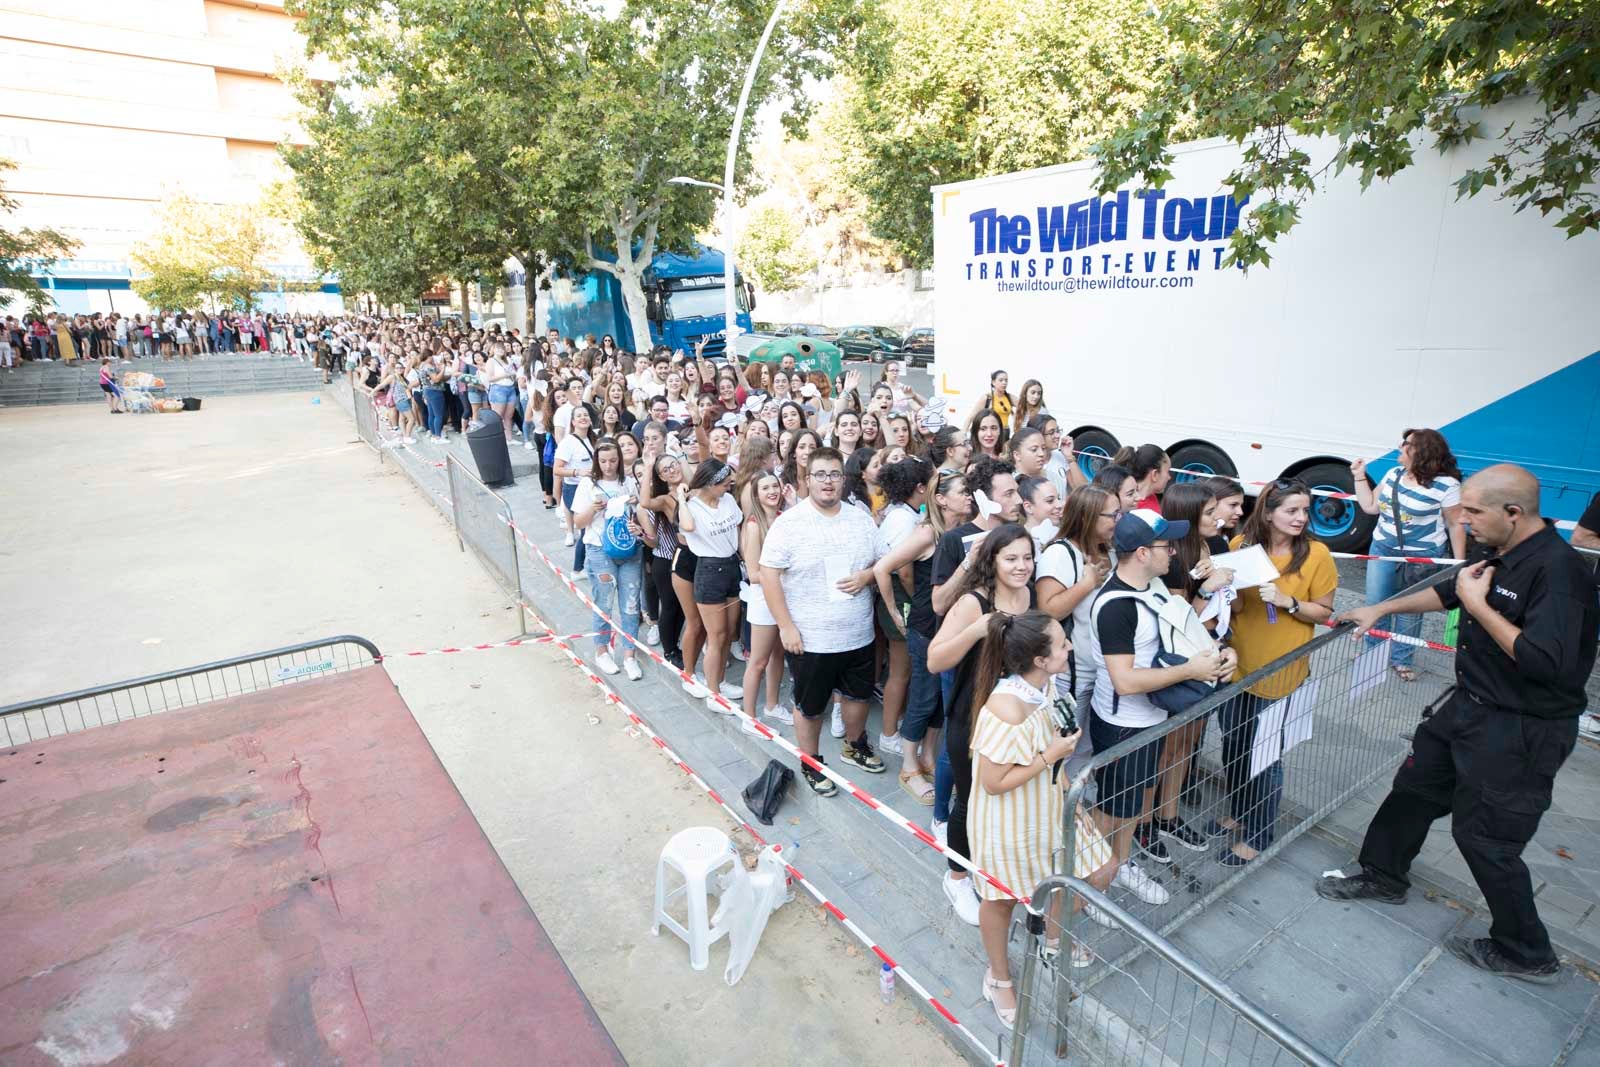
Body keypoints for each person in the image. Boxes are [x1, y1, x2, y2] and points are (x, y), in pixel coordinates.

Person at [1319, 464, 1598, 984]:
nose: (1463, 520)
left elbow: (1545, 662)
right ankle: (1382, 876)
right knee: (1412, 792)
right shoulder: (1498, 547)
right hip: (1466, 706)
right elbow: (1451, 589)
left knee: (1486, 839)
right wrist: (1381, 609)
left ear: (1513, 512)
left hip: (1521, 729)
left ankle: (1526, 952)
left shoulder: (1560, 573)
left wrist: (1478, 606)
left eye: (1473, 511)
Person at [1088, 510, 1234, 907]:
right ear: (1141, 553)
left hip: (1150, 719)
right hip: (1123, 726)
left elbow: (1182, 631)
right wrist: (1191, 670)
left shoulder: (1153, 585)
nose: (1173, 552)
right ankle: (1090, 887)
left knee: (1132, 806)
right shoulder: (1115, 606)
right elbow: (1124, 680)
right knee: (1111, 811)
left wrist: (1220, 653)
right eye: (1165, 545)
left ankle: (1119, 863)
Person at [969, 613, 1102, 1020]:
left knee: (1092, 871)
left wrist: (1071, 797)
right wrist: (1050, 756)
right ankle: (998, 978)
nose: (1070, 647)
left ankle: (1053, 940)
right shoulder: (1006, 708)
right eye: (1062, 644)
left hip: (1047, 806)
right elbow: (993, 782)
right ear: (1040, 660)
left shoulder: (1047, 685)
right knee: (1002, 900)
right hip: (1007, 822)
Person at [1214, 480, 1336, 866]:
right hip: (1237, 670)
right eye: (1292, 510)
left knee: (1266, 758)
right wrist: (1227, 590)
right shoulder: (1240, 547)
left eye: (1305, 510)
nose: (1301, 518)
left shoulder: (1317, 554)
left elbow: (1324, 612)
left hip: (1282, 674)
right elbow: (1233, 609)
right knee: (1234, 747)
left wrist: (1289, 602)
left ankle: (1259, 833)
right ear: (1268, 513)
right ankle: (1240, 811)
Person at [928, 523, 1036, 927]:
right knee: (970, 801)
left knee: (1004, 800)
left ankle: (994, 868)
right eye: (1011, 558)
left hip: (1017, 718)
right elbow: (935, 660)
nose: (1021, 566)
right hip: (973, 719)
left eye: (1027, 557)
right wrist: (975, 631)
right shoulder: (973, 602)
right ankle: (956, 877)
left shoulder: (1029, 594)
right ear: (992, 561)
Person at [760, 446, 886, 795]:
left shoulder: (861, 519)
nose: (827, 481)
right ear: (807, 478)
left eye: (834, 474)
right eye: (820, 475)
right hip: (811, 638)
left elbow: (882, 561)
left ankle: (855, 746)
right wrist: (786, 626)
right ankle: (811, 762)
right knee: (810, 707)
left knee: (858, 697)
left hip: (858, 633)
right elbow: (769, 575)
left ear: (844, 479)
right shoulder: (789, 524)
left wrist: (867, 577)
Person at [876, 466, 970, 809]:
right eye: (963, 491)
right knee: (923, 698)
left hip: (951, 629)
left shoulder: (962, 531)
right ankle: (909, 766)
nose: (969, 497)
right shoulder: (927, 533)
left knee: (942, 701)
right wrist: (895, 613)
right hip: (926, 629)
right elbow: (883, 568)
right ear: (942, 499)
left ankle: (928, 756)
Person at [1352, 428, 1466, 681]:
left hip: (1422, 557)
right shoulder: (1394, 473)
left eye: (1406, 443)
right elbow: (1370, 506)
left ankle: (1401, 659)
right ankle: (1374, 657)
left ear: (1420, 452)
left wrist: (1458, 565)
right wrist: (1359, 477)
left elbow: (1455, 524)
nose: (1400, 446)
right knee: (1376, 604)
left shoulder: (1447, 485)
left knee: (1410, 610)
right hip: (1383, 549)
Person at [1036, 484, 1119, 710]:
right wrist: (1087, 584)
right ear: (1086, 517)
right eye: (1112, 515)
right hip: (1074, 675)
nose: (1118, 520)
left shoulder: (1111, 550)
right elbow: (1047, 610)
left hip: (1107, 672)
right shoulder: (1059, 554)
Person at [874, 457, 935, 763]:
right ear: (920, 488)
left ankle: (895, 723)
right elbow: (906, 571)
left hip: (901, 595)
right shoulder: (904, 521)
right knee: (900, 671)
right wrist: (917, 600)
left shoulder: (904, 513)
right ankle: (888, 735)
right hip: (901, 596)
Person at [571, 440, 646, 680]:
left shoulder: (629, 482)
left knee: (631, 604)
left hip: (629, 547)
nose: (608, 465)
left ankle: (630, 655)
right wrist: (594, 509)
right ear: (596, 461)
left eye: (613, 460)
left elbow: (642, 513)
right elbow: (578, 522)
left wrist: (636, 509)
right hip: (599, 549)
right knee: (604, 602)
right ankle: (601, 650)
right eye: (603, 461)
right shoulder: (587, 484)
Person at [676, 460, 745, 711]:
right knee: (715, 635)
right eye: (724, 483)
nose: (728, 486)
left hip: (731, 566)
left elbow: (737, 529)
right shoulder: (692, 506)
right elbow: (688, 526)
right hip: (709, 570)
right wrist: (682, 498)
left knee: (728, 631)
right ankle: (713, 694)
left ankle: (720, 681)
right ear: (708, 483)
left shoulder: (728, 500)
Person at [739, 469, 791, 729]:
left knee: (778, 655)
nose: (772, 491)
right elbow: (753, 574)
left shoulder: (784, 518)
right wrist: (786, 571)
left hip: (784, 596)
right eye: (765, 488)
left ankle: (772, 705)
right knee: (758, 661)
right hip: (763, 600)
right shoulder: (753, 526)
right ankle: (749, 718)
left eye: (775, 486)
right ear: (756, 495)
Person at [554, 404, 598, 571]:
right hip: (574, 489)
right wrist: (577, 472)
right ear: (573, 422)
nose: (583, 418)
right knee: (586, 528)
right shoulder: (568, 442)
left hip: (591, 487)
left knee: (591, 527)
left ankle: (589, 564)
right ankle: (578, 569)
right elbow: (557, 469)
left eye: (585, 415)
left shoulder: (593, 438)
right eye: (579, 416)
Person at [1112, 444, 1171, 512]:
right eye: (1167, 471)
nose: (1169, 477)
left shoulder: (1151, 497)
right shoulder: (1134, 509)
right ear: (1154, 474)